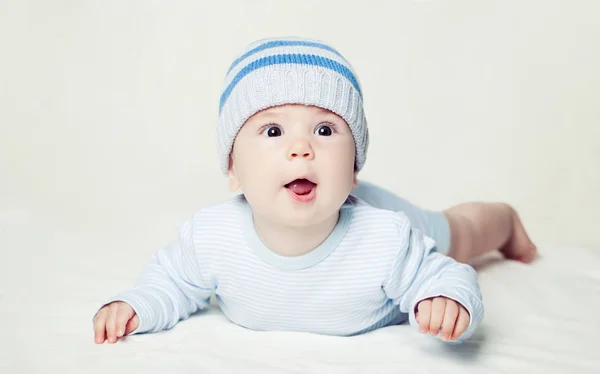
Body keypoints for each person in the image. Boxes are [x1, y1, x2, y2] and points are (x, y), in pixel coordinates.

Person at [93, 37, 534, 346]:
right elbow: (171, 280)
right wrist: (136, 306)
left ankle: (505, 220)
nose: (301, 148)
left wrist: (445, 298)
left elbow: (445, 275)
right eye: (272, 130)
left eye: (325, 129)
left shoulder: (386, 238)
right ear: (232, 170)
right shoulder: (212, 236)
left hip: (373, 212)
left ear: (354, 166)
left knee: (460, 232)